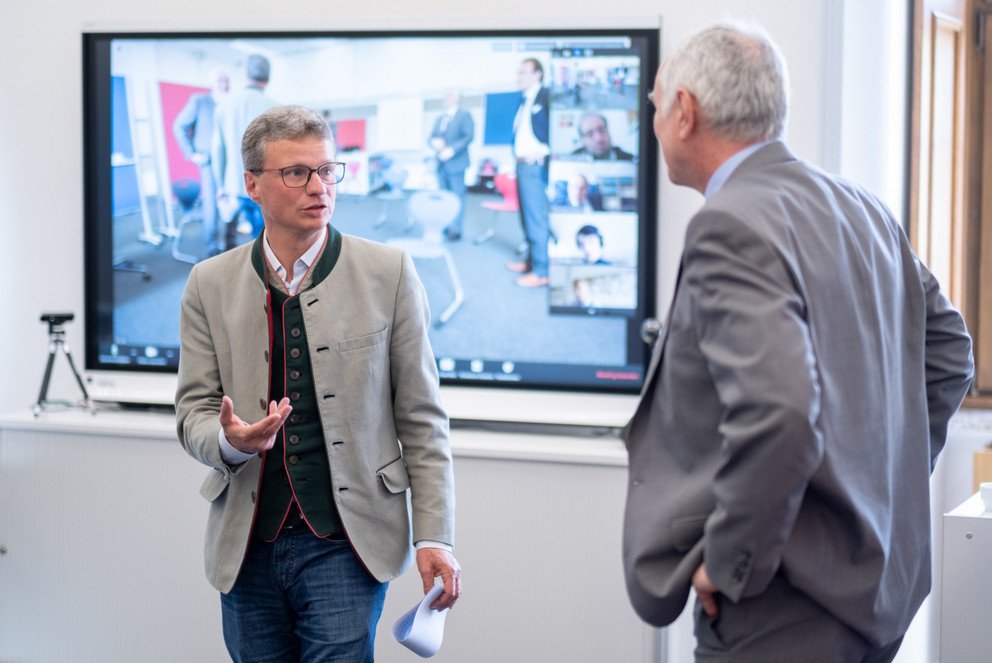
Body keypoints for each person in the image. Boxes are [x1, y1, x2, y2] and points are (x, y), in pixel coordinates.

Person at [622, 23, 973, 662]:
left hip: (786, 608)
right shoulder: (859, 206)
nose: (653, 122)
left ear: (685, 113)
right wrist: (876, 482)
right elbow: (950, 353)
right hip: (875, 600)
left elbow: (780, 414)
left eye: (654, 105)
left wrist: (729, 563)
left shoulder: (728, 223)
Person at [176, 105, 461, 662]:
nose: (319, 187)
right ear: (252, 184)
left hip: (346, 542)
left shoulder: (390, 273)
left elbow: (423, 420)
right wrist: (231, 441)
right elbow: (193, 414)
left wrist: (435, 536)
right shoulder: (207, 283)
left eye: (328, 171)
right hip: (246, 542)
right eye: (297, 172)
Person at [212, 53, 278, 251]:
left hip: (233, 184)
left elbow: (218, 150)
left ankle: (227, 277)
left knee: (228, 242)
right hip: (264, 186)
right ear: (268, 78)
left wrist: (220, 185)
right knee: (265, 241)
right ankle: (265, 278)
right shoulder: (277, 108)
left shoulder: (224, 105)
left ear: (246, 74)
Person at [173, 68, 229, 257]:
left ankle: (228, 242)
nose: (225, 84)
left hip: (231, 161)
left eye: (227, 80)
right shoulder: (200, 101)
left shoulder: (230, 104)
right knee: (211, 206)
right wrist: (192, 154)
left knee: (231, 202)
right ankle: (212, 248)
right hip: (209, 161)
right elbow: (179, 126)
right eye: (221, 80)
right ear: (213, 83)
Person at [506, 57, 551, 288]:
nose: (519, 77)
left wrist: (545, 150)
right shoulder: (523, 100)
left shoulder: (546, 96)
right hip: (521, 165)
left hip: (535, 167)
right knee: (525, 215)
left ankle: (542, 271)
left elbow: (558, 127)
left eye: (523, 72)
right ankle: (531, 262)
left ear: (537, 74)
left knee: (536, 218)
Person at [428, 91, 475, 240]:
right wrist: (434, 143)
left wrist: (451, 150)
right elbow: (430, 137)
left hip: (457, 164)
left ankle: (456, 229)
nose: (445, 98)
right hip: (441, 164)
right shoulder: (440, 118)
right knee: (443, 197)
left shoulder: (465, 115)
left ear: (457, 99)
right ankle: (445, 225)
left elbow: (468, 136)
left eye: (449, 96)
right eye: (445, 95)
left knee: (457, 197)